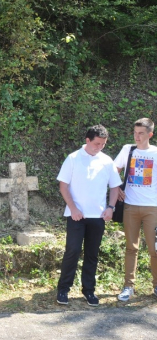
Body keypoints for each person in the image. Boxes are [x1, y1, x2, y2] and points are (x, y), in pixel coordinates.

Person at [56, 125, 121, 306]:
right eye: (97, 144)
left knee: (92, 254)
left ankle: (89, 291)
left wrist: (111, 207)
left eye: (103, 144)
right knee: (72, 251)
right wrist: (73, 208)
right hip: (76, 215)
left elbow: (115, 186)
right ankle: (63, 290)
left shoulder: (107, 161)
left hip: (98, 216)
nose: (99, 147)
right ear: (87, 140)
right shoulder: (73, 158)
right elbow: (63, 186)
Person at [114, 117, 157, 302]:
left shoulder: (156, 153)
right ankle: (128, 286)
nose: (137, 137)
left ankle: (156, 286)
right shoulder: (128, 149)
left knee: (155, 249)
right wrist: (117, 189)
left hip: (152, 208)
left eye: (140, 133)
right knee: (131, 248)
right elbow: (113, 169)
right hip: (130, 206)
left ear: (150, 134)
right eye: (135, 133)